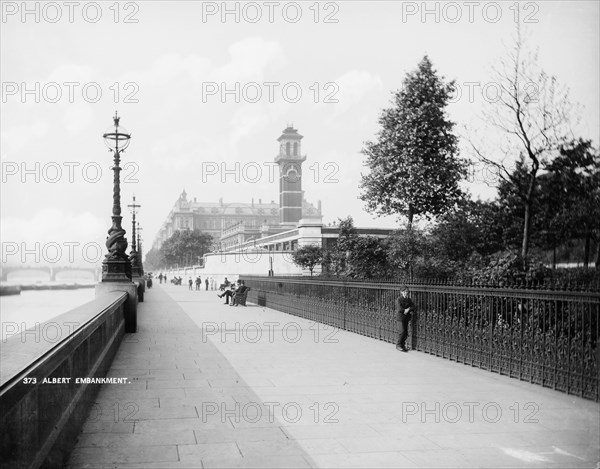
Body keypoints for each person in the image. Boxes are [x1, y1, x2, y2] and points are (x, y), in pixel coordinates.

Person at [396, 286, 415, 352]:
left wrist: (409, 309)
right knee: (402, 331)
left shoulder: (409, 299)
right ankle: (398, 345)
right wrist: (405, 310)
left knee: (406, 333)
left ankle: (403, 346)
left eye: (407, 291)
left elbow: (413, 306)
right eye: (404, 291)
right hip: (400, 317)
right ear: (401, 292)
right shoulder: (399, 299)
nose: (406, 293)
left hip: (406, 317)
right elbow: (399, 309)